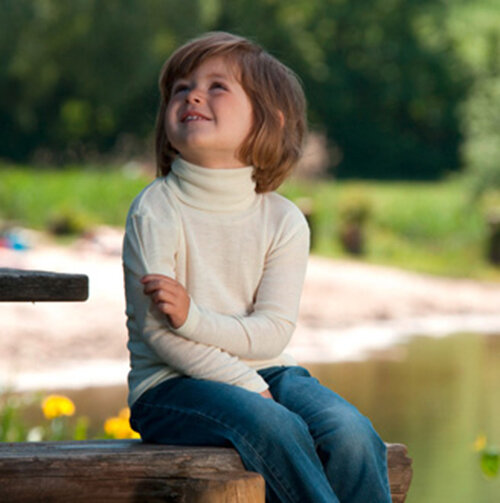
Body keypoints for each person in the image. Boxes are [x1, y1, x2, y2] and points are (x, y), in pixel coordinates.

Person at [122, 31, 391, 503]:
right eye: (180, 88)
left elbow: (272, 333)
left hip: (271, 372)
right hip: (171, 387)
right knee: (275, 426)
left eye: (217, 86)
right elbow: (161, 337)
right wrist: (247, 386)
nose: (193, 95)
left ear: (270, 119)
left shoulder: (283, 219)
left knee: (352, 432)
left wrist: (197, 320)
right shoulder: (157, 210)